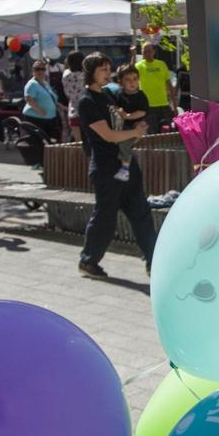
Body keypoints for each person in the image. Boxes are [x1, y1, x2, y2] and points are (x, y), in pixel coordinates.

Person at [76, 52, 156, 279]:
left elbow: (122, 129)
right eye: (102, 69)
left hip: (127, 164)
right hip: (105, 168)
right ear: (91, 72)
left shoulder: (109, 97)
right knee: (106, 217)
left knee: (141, 212)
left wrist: (136, 133)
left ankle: (154, 260)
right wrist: (133, 132)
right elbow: (109, 135)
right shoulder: (87, 101)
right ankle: (88, 261)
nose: (107, 73)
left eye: (107, 68)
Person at [112, 63, 149, 182]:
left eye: (134, 79)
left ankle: (125, 168)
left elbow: (142, 112)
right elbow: (116, 108)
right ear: (121, 82)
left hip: (137, 123)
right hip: (123, 125)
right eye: (127, 79)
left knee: (125, 142)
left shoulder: (141, 95)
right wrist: (119, 112)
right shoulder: (119, 95)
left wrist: (127, 116)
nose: (132, 82)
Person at [134, 42, 174, 133]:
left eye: (149, 51)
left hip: (164, 104)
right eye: (144, 52)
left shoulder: (161, 64)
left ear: (154, 52)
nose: (147, 54)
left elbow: (169, 85)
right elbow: (129, 72)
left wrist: (174, 106)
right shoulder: (138, 66)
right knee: (152, 133)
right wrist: (133, 55)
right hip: (148, 106)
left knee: (169, 131)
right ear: (142, 52)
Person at [23, 60, 61, 142]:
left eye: (42, 69)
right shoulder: (32, 83)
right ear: (33, 71)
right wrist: (40, 110)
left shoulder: (45, 83)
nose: (40, 71)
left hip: (50, 119)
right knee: (40, 143)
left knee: (51, 142)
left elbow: (51, 98)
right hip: (36, 119)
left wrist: (61, 107)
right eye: (37, 69)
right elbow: (28, 98)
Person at [62, 51, 87, 142]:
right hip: (86, 109)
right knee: (89, 140)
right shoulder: (85, 75)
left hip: (73, 110)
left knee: (79, 142)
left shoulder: (66, 75)